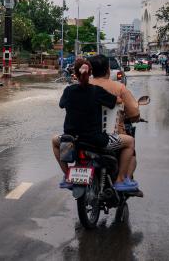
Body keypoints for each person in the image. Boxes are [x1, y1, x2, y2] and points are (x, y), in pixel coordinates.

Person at [51, 58, 138, 191]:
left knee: (54, 140)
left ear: (75, 73)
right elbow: (118, 101)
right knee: (130, 141)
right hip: (96, 140)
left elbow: (62, 104)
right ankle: (120, 180)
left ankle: (67, 174)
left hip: (72, 139)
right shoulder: (99, 91)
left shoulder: (68, 90)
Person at [89, 54, 140, 182]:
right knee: (130, 145)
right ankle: (121, 179)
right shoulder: (119, 88)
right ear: (108, 70)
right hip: (111, 137)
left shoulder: (81, 87)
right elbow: (134, 113)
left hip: (85, 136)